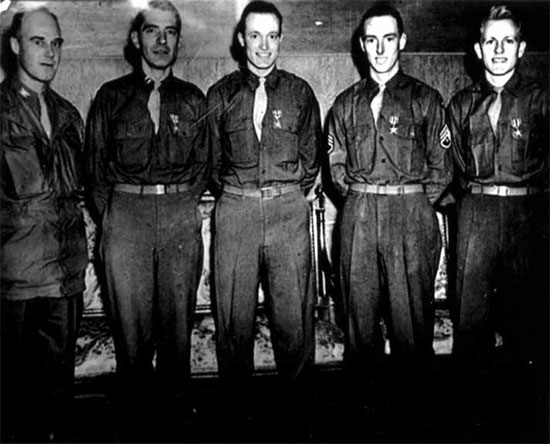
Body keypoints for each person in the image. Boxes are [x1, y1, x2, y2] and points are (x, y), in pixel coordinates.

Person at [326, 3, 452, 434]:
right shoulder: (344, 105)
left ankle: (416, 422)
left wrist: (412, 205)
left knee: (411, 325)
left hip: (409, 214)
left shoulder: (425, 99)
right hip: (358, 213)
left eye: (388, 38)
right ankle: (364, 422)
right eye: (371, 39)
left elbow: (442, 167)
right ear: (362, 46)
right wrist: (365, 200)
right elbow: (336, 170)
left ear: (402, 41)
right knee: (359, 325)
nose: (380, 48)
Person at [84, 0, 208, 438]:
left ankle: (176, 417)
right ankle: (136, 419)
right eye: (152, 31)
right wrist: (118, 215)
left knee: (178, 323)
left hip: (177, 214)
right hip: (126, 216)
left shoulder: (193, 99)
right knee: (131, 329)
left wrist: (176, 204)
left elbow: (203, 166)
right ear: (137, 39)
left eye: (170, 31)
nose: (161, 40)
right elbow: (94, 169)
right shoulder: (111, 96)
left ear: (178, 38)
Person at [206, 0, 321, 438]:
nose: (264, 46)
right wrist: (240, 195)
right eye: (255, 35)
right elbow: (213, 164)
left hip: (287, 210)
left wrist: (284, 193)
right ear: (240, 39)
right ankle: (238, 421)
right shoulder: (220, 94)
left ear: (281, 39)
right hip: (235, 209)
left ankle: (298, 421)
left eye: (272, 36)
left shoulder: (300, 92)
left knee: (294, 321)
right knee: (233, 321)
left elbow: (311, 161)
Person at [447, 5, 548, 438]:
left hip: (529, 215)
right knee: (471, 324)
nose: (500, 50)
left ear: (521, 48)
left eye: (508, 41)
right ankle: (474, 422)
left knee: (530, 326)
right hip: (476, 215)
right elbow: (452, 166)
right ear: (478, 48)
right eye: (492, 41)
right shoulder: (461, 104)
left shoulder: (542, 99)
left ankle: (527, 422)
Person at [0, 7, 88, 442]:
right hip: (13, 283)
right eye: (38, 42)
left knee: (57, 403)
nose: (50, 52)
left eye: (56, 43)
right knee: (13, 407)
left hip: (64, 279)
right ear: (15, 46)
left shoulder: (70, 115)